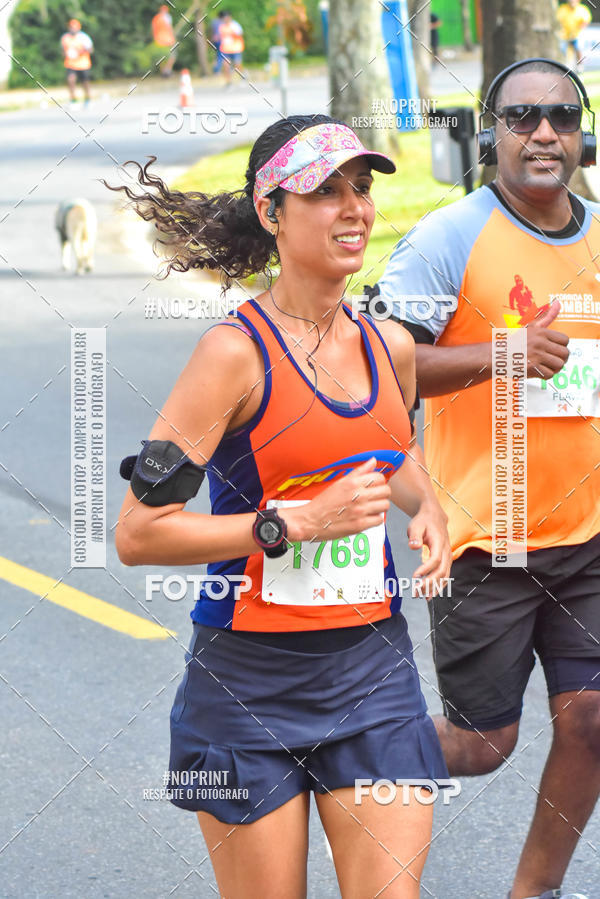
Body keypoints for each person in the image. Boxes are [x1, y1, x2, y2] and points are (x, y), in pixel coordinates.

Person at [113, 114, 452, 898]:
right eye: (324, 192)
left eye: (360, 189)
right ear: (271, 212)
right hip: (245, 690)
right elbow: (137, 533)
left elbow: (390, 445)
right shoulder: (232, 354)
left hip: (374, 676)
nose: (355, 208)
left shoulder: (387, 345)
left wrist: (425, 505)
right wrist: (289, 523)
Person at [376, 58, 600, 899]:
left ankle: (529, 894)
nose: (544, 132)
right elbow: (381, 369)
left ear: (580, 132)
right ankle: (344, 755)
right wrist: (499, 354)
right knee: (482, 743)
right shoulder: (448, 236)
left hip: (589, 536)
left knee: (593, 720)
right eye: (522, 117)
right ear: (489, 133)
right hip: (487, 535)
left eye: (561, 116)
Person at [60, 18, 93, 105]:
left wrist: (79, 53)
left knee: (85, 82)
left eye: (74, 27)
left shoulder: (84, 37)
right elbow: (63, 50)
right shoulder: (65, 38)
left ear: (78, 28)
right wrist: (67, 54)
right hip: (71, 63)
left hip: (83, 64)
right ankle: (73, 99)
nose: (73, 29)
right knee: (71, 80)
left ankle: (88, 98)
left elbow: (90, 49)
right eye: (71, 27)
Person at [557, 0, 592, 71]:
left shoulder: (582, 9)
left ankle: (580, 67)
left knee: (578, 48)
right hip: (564, 35)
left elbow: (585, 21)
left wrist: (578, 29)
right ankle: (564, 67)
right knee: (563, 50)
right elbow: (558, 21)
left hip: (577, 34)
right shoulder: (563, 9)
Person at [218, 11, 244, 86]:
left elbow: (240, 34)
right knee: (226, 65)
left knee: (237, 64)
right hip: (225, 49)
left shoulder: (235, 25)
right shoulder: (222, 26)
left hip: (236, 48)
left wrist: (233, 34)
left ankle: (242, 77)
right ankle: (228, 82)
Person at [151, 4, 177, 77]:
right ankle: (167, 71)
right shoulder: (167, 17)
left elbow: (153, 29)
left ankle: (164, 72)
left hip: (159, 40)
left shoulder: (156, 18)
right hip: (168, 40)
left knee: (162, 57)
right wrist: (173, 37)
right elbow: (170, 28)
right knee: (172, 55)